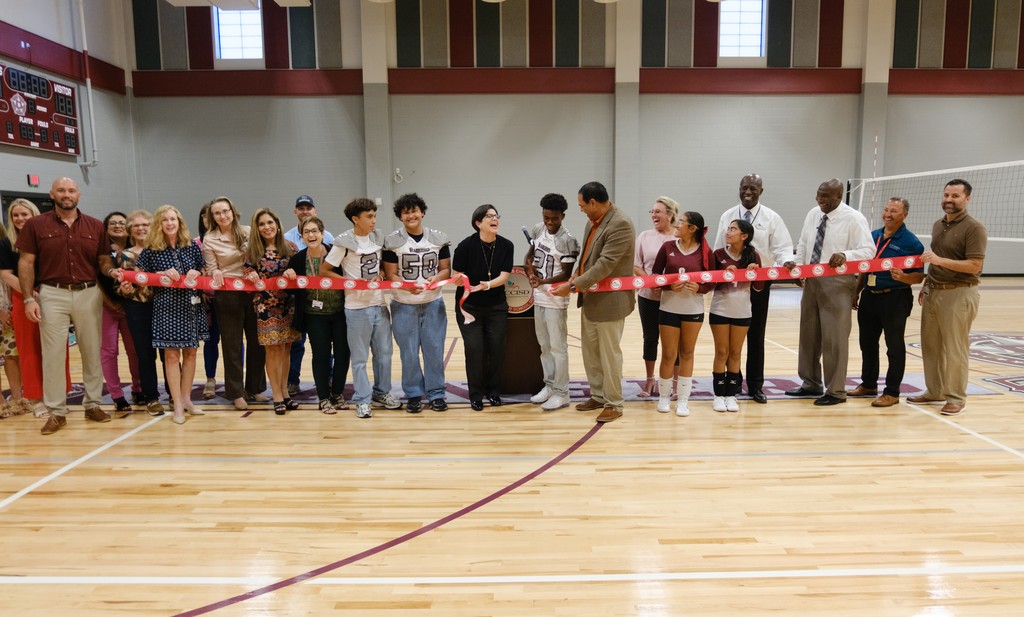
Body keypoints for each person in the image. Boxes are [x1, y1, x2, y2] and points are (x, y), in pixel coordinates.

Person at [17, 177, 113, 434]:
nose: (66, 194)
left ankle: (93, 404)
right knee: (54, 355)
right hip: (52, 294)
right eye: (61, 190)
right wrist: (28, 298)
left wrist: (112, 271)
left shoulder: (95, 226)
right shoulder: (36, 225)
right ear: (52, 194)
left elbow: (103, 260)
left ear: (78, 195)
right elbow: (26, 263)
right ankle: (57, 411)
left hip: (89, 292)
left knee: (92, 351)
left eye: (71, 190)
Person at [783, 178, 874, 406]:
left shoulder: (854, 218)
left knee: (834, 338)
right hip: (812, 280)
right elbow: (804, 242)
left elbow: (869, 251)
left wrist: (845, 255)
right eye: (818, 194)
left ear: (839, 196)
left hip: (838, 282)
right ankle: (810, 382)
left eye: (825, 196)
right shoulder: (814, 213)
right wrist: (799, 267)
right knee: (809, 334)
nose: (820, 199)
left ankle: (836, 390)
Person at [551, 181, 636, 423]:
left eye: (581, 205)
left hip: (611, 301)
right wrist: (576, 274)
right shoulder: (593, 222)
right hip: (591, 298)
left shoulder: (620, 224)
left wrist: (572, 286)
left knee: (609, 355)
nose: (580, 210)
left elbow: (605, 265)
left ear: (593, 202)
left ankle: (614, 403)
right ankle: (598, 395)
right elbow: (588, 257)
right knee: (591, 353)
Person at [713, 174, 794, 404]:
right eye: (744, 188)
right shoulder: (728, 216)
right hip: (730, 286)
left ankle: (756, 385)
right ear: (739, 189)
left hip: (759, 284)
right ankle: (734, 382)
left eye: (753, 188)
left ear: (761, 190)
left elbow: (783, 247)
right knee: (729, 340)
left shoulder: (771, 217)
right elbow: (718, 249)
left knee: (756, 336)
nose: (748, 192)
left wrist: (787, 262)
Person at [909, 179, 987, 416]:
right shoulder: (938, 224)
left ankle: (956, 398)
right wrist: (926, 285)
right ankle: (935, 391)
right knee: (931, 347)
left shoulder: (974, 228)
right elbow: (935, 260)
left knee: (955, 349)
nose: (949, 200)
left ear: (967, 199)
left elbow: (975, 265)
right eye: (946, 195)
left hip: (959, 293)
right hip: (935, 291)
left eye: (955, 196)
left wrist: (939, 261)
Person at [322, 198, 401, 419]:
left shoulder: (378, 237)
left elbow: (384, 266)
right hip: (356, 307)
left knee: (384, 354)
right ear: (355, 219)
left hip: (379, 304)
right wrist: (350, 282)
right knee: (359, 358)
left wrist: (384, 274)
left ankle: (381, 392)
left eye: (374, 215)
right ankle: (362, 398)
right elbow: (325, 270)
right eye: (369, 216)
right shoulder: (343, 242)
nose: (373, 220)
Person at [135, 205, 209, 425]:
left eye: (173, 219)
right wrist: (159, 275)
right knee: (171, 356)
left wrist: (198, 272)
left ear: (179, 222)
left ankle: (187, 399)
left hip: (191, 306)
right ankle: (176, 402)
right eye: (165, 220)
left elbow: (203, 269)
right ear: (159, 224)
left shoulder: (191, 247)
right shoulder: (151, 250)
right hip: (166, 307)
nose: (169, 223)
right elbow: (141, 276)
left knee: (192, 354)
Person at [849, 197, 925, 407]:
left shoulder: (912, 243)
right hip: (870, 296)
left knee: (894, 346)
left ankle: (892, 392)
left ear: (905, 215)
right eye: (886, 210)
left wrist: (905, 277)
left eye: (894, 211)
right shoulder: (872, 236)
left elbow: (919, 276)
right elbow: (865, 267)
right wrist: (857, 292)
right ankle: (868, 384)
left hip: (895, 298)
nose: (888, 214)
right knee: (867, 343)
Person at [0, 198, 71, 418]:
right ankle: (36, 399)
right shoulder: (5, 244)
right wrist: (30, 292)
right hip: (24, 300)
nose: (20, 219)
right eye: (16, 215)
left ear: (34, 215)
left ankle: (58, 397)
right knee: (29, 351)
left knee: (58, 350)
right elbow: (5, 274)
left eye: (25, 214)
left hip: (53, 297)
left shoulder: (47, 240)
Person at [382, 193, 451, 413]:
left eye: (414, 210)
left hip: (433, 302)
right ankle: (413, 393)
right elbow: (390, 275)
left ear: (422, 212)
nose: (410, 215)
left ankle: (436, 393)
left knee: (434, 349)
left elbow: (445, 269)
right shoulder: (393, 241)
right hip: (403, 303)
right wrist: (405, 285)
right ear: (400, 217)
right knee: (408, 352)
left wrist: (436, 279)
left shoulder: (438, 238)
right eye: (405, 212)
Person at [202, 196, 267, 409]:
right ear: (212, 217)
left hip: (253, 291)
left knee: (257, 342)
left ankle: (255, 388)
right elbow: (211, 268)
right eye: (217, 213)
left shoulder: (249, 232)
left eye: (225, 211)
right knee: (231, 344)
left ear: (233, 211)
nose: (223, 215)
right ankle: (236, 392)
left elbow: (260, 257)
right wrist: (216, 271)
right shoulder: (210, 239)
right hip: (227, 294)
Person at [452, 204, 515, 411]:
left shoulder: (507, 245)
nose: (494, 219)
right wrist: (460, 280)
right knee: (475, 349)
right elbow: (456, 274)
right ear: (478, 223)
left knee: (497, 348)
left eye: (496, 215)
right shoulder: (465, 246)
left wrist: (486, 285)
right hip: (469, 307)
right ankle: (476, 394)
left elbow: (504, 276)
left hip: (496, 306)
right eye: (489, 216)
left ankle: (494, 391)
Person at [650, 211, 713, 417]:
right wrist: (669, 286)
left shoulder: (705, 252)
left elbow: (711, 281)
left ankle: (683, 399)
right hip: (668, 308)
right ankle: (664, 397)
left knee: (687, 353)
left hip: (693, 310)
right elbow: (655, 276)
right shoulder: (667, 247)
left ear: (693, 229)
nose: (677, 225)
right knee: (668, 354)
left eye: (682, 223)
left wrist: (700, 288)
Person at [287, 215, 350, 414]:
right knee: (321, 356)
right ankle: (323, 398)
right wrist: (287, 276)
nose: (311, 235)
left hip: (340, 312)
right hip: (314, 314)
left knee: (342, 354)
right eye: (306, 232)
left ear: (323, 234)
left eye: (315, 231)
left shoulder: (336, 253)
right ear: (302, 237)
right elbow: (291, 290)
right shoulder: (297, 259)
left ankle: (337, 393)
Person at [524, 193, 579, 412]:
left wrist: (542, 280)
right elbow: (530, 253)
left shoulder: (569, 241)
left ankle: (562, 392)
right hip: (538, 296)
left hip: (555, 298)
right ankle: (549, 386)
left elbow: (566, 275)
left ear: (563, 216)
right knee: (544, 347)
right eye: (546, 217)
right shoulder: (538, 229)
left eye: (554, 218)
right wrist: (529, 270)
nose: (549, 222)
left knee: (558, 348)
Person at [244, 208, 300, 415]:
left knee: (286, 349)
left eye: (269, 223)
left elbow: (299, 270)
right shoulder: (252, 251)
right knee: (272, 350)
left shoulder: (290, 247)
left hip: (289, 305)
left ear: (277, 224)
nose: (266, 227)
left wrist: (293, 272)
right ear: (257, 229)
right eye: (261, 224)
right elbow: (246, 270)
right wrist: (250, 274)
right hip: (265, 306)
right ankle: (276, 393)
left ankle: (285, 392)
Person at [283, 195, 335, 398]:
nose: (305, 211)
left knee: (324, 344)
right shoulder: (286, 238)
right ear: (295, 212)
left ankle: (328, 380)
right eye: (301, 208)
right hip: (298, 300)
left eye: (308, 208)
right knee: (296, 343)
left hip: (323, 299)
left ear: (315, 211)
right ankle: (292, 381)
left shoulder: (329, 237)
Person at [709, 219, 764, 412]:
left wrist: (755, 274)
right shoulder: (718, 254)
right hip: (720, 309)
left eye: (733, 229)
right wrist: (723, 273)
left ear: (744, 236)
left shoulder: (753, 255)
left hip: (743, 311)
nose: (728, 232)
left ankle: (731, 394)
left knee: (735, 352)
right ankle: (718, 395)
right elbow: (709, 284)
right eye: (728, 228)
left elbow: (759, 288)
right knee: (721, 352)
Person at [115, 210, 165, 416]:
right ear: (130, 230)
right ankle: (151, 397)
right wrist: (123, 290)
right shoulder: (125, 254)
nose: (141, 228)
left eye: (145, 224)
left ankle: (175, 393)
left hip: (163, 306)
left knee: (168, 353)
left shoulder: (161, 251)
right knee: (145, 355)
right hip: (137, 307)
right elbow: (120, 285)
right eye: (136, 226)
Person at [633, 197, 679, 398]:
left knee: (673, 342)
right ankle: (650, 380)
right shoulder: (644, 236)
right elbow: (636, 265)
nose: (653, 215)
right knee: (650, 338)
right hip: (648, 296)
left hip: (673, 298)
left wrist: (668, 285)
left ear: (670, 214)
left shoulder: (679, 237)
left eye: (658, 211)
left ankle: (675, 383)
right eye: (652, 212)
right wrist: (651, 283)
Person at [100, 211, 142, 414]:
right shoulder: (102, 249)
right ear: (106, 228)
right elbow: (99, 276)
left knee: (134, 350)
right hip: (106, 306)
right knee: (109, 351)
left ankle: (138, 388)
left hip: (130, 306)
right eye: (113, 223)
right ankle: (116, 394)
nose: (117, 226)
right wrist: (109, 302)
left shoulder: (136, 249)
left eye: (121, 223)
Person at [195, 203, 220, 400]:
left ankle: (235, 381)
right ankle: (210, 379)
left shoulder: (230, 240)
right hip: (206, 301)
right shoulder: (195, 244)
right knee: (210, 341)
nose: (209, 219)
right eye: (206, 216)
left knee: (234, 342)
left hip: (229, 298)